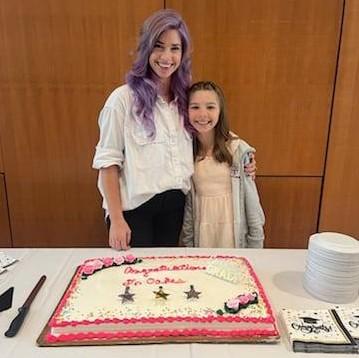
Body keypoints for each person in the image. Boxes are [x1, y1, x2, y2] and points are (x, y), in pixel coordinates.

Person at [93, 10, 256, 250]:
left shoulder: (185, 98)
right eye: (159, 46)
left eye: (175, 48)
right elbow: (108, 162)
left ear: (183, 53)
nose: (166, 57)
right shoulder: (122, 100)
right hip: (135, 211)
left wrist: (245, 155)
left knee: (166, 278)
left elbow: (210, 126)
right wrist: (116, 220)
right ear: (146, 49)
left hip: (176, 207)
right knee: (138, 280)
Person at [181, 81, 265, 248]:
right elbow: (189, 206)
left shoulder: (238, 150)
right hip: (203, 234)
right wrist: (187, 244)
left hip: (232, 235)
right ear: (186, 111)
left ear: (220, 111)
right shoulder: (185, 152)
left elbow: (252, 202)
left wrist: (256, 244)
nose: (202, 114)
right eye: (195, 107)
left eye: (210, 107)